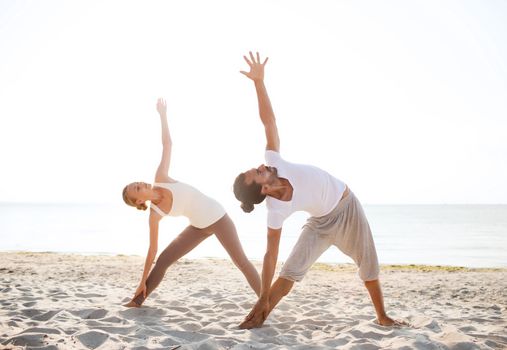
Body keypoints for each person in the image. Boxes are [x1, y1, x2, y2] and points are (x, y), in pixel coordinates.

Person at [233, 52, 403, 328]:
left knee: (368, 265)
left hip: (346, 207)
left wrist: (258, 83)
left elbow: (269, 122)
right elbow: (270, 255)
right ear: (262, 189)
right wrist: (262, 295)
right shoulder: (276, 210)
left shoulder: (274, 160)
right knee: (288, 273)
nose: (261, 166)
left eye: (257, 168)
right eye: (257, 172)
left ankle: (382, 316)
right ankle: (255, 320)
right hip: (319, 224)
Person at [123, 98, 261, 307]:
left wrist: (162, 115)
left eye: (137, 182)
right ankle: (137, 301)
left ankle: (265, 300)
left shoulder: (161, 177)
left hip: (217, 216)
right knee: (162, 260)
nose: (140, 183)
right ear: (139, 200)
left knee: (241, 261)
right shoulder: (154, 214)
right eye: (137, 188)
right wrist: (142, 280)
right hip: (198, 227)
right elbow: (152, 250)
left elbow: (167, 144)